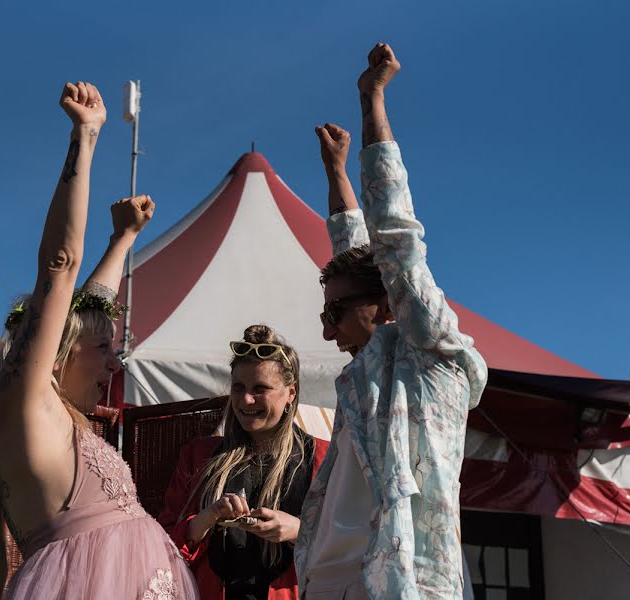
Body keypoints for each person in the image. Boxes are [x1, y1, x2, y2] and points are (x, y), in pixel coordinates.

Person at [0, 81, 198, 600]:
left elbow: (87, 312)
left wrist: (124, 239)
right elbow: (61, 267)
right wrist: (85, 139)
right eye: (103, 351)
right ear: (57, 356)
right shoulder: (28, 406)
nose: (114, 365)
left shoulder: (57, 414)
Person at [294, 44, 488, 599]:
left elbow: (395, 240)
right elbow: (355, 251)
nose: (328, 331)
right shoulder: (370, 371)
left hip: (406, 584)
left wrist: (371, 99)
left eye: (334, 314)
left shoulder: (431, 357)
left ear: (385, 305)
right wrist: (334, 172)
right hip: (333, 581)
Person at [159, 325, 329, 600]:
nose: (246, 400)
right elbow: (161, 546)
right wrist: (207, 517)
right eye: (239, 387)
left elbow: (354, 545)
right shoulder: (198, 456)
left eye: (260, 388)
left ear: (291, 393)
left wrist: (297, 530)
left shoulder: (325, 458)